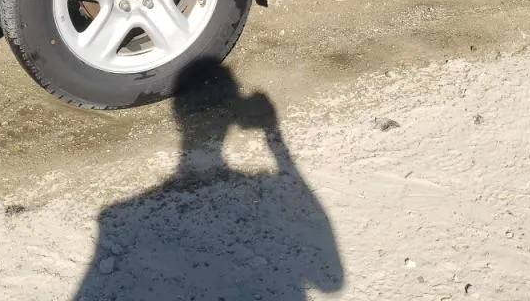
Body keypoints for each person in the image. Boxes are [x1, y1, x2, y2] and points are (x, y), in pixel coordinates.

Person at [73, 60, 344, 300]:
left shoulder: (114, 219)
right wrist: (274, 136)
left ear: (177, 119)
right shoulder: (269, 194)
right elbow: (330, 280)